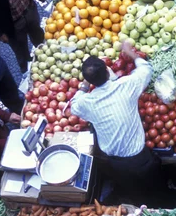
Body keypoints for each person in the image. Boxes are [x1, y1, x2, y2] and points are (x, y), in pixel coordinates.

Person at [70, 42, 168, 205]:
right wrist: (130, 53)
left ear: (89, 81)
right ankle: (161, 203)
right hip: (140, 159)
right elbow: (146, 69)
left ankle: (137, 203)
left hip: (115, 163)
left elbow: (74, 106)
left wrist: (84, 87)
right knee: (156, 190)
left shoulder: (87, 102)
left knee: (133, 192)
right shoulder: (126, 86)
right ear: (108, 72)